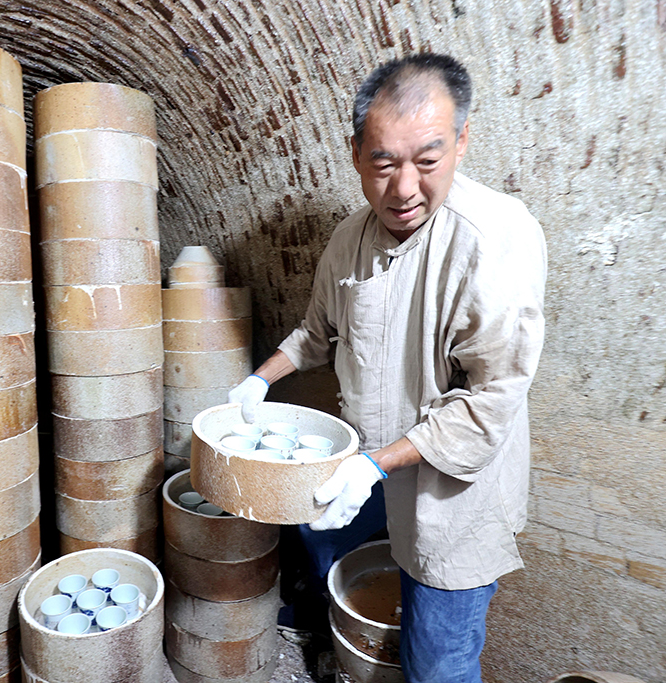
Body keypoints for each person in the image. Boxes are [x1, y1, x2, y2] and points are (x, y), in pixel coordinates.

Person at [228, 53, 547, 683]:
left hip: (450, 489)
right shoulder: (350, 236)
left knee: (437, 660)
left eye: (428, 161)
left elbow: (489, 404)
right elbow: (317, 333)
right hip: (365, 462)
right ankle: (325, 634)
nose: (404, 189)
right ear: (355, 153)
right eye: (383, 162)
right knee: (321, 547)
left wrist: (371, 467)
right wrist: (260, 379)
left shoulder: (495, 240)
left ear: (461, 141)